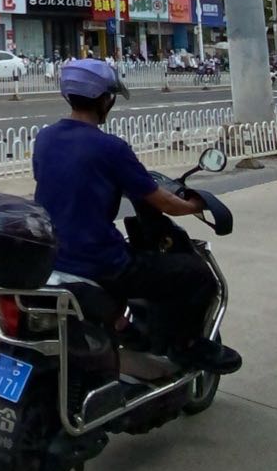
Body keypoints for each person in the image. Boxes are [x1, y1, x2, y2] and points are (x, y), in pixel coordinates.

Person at [32, 58, 241, 374]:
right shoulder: (111, 148)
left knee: (131, 260)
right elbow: (164, 204)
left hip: (53, 255)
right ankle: (186, 346)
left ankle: (122, 326)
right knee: (195, 275)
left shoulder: (45, 139)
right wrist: (198, 205)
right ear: (106, 99)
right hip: (98, 261)